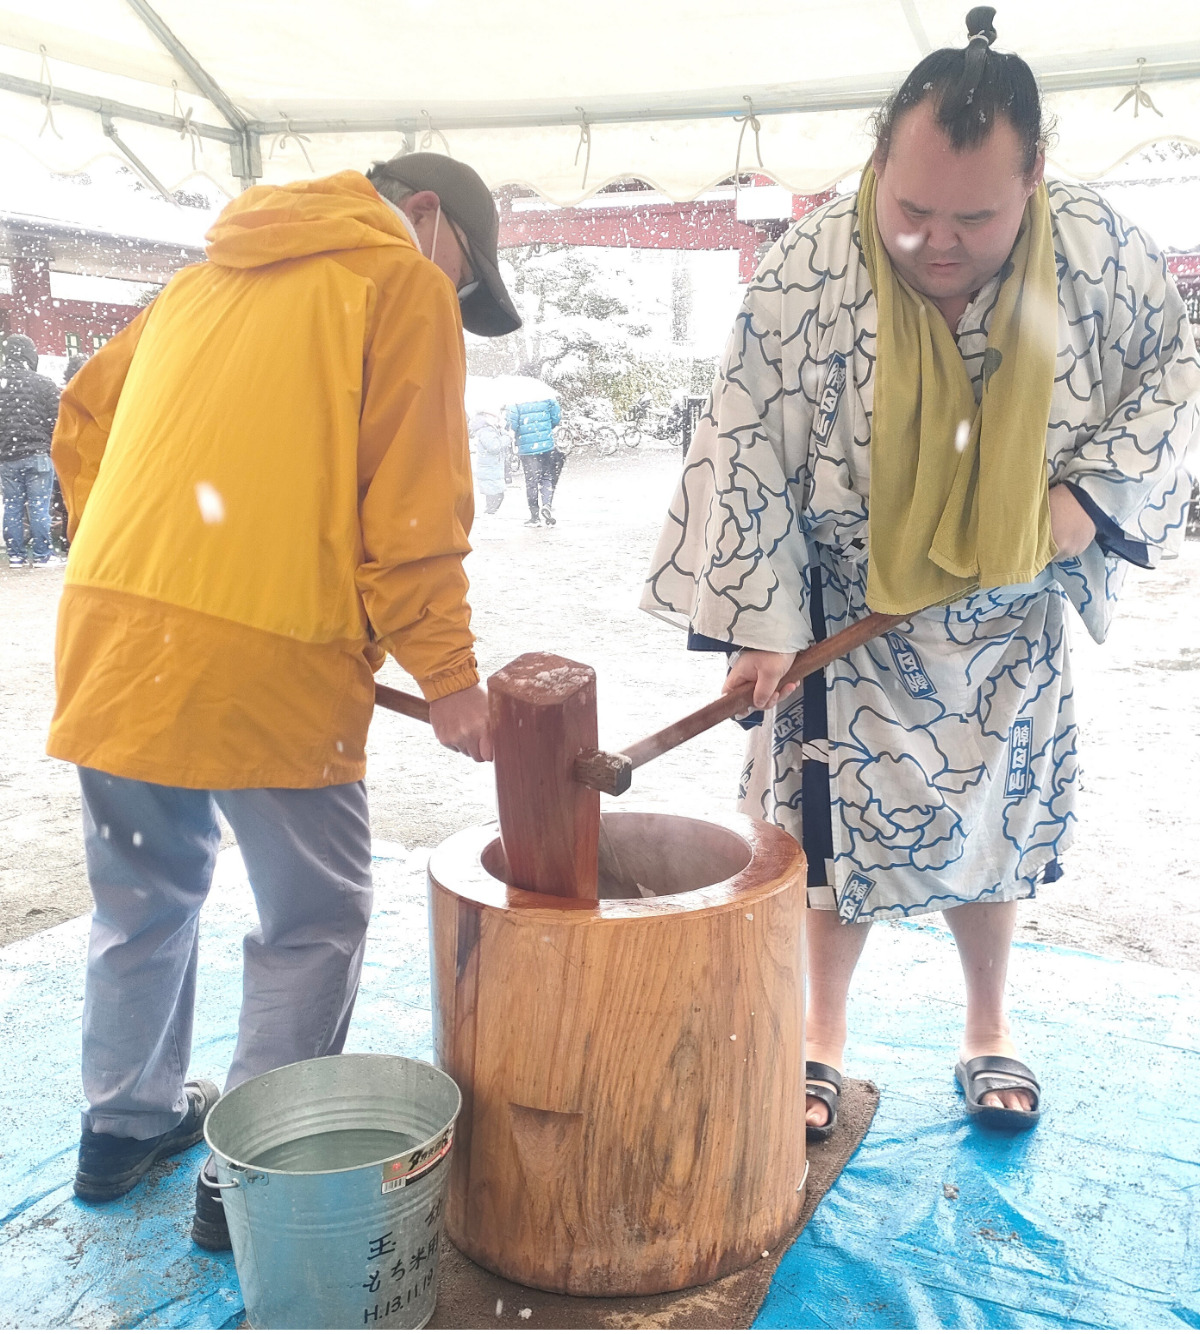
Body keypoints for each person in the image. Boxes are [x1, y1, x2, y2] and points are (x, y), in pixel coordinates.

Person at [642, 7, 1198, 1139]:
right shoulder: (807, 269)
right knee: (826, 849)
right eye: (911, 209)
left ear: (1037, 175)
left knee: (992, 827)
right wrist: (760, 620)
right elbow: (745, 438)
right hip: (844, 619)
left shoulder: (1101, 251)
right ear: (877, 158)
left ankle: (988, 1029)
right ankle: (819, 1041)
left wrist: (1092, 493)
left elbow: (1177, 379)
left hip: (1009, 613)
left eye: (976, 217)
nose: (936, 242)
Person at [48, 152, 520, 1247]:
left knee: (144, 895)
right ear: (422, 214)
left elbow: (83, 423)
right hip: (267, 650)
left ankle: (122, 1123)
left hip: (116, 633)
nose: (450, 297)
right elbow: (411, 509)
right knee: (314, 917)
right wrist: (448, 677)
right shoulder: (395, 279)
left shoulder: (198, 282)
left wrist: (152, 569)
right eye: (463, 276)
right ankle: (248, 1182)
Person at [0, 334, 61, 566]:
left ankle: (15, 554)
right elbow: (57, 420)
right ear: (29, 354)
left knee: (13, 505)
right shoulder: (43, 383)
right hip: (37, 455)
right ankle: (43, 554)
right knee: (39, 506)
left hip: (7, 457)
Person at [507, 395, 562, 525]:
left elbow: (512, 423)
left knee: (531, 482)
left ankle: (535, 516)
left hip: (527, 448)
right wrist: (545, 428)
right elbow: (556, 417)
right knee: (546, 477)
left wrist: (518, 431)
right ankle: (547, 505)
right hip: (546, 445)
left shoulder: (515, 398)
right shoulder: (545, 394)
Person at [468, 407, 509, 514]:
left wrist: (501, 431)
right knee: (496, 497)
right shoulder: (486, 431)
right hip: (490, 469)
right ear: (487, 417)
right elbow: (494, 447)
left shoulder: (488, 429)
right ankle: (487, 517)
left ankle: (488, 517)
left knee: (494, 497)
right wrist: (507, 437)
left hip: (491, 468)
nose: (497, 420)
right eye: (495, 417)